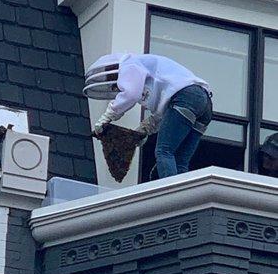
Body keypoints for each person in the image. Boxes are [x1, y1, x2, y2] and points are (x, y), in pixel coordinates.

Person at [84, 53, 212, 179]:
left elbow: (130, 95)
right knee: (180, 160)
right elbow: (168, 115)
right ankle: (186, 197)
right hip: (204, 105)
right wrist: (145, 129)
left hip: (186, 97)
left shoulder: (129, 65)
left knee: (164, 151)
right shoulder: (148, 75)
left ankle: (172, 193)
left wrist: (106, 118)